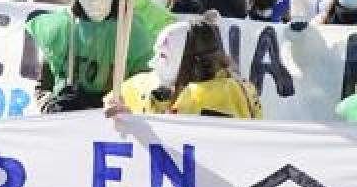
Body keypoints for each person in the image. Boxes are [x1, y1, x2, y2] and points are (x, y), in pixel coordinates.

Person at [26, 0, 157, 112]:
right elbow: (43, 85)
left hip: (112, 125)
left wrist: (126, 108)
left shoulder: (132, 33)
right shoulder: (62, 27)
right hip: (65, 124)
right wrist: (49, 105)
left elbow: (146, 89)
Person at [106, 12, 261, 118]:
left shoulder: (228, 95)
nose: (152, 63)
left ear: (194, 62)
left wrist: (139, 124)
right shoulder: (144, 83)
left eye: (162, 56)